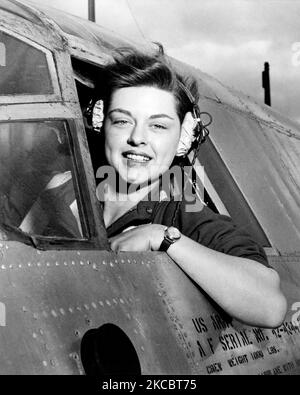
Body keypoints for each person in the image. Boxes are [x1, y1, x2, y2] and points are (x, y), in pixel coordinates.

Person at [86, 46, 287, 329]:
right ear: (100, 122)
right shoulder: (62, 195)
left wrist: (162, 237)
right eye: (122, 121)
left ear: (183, 138)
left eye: (158, 126)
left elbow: (270, 306)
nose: (137, 138)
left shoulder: (183, 217)